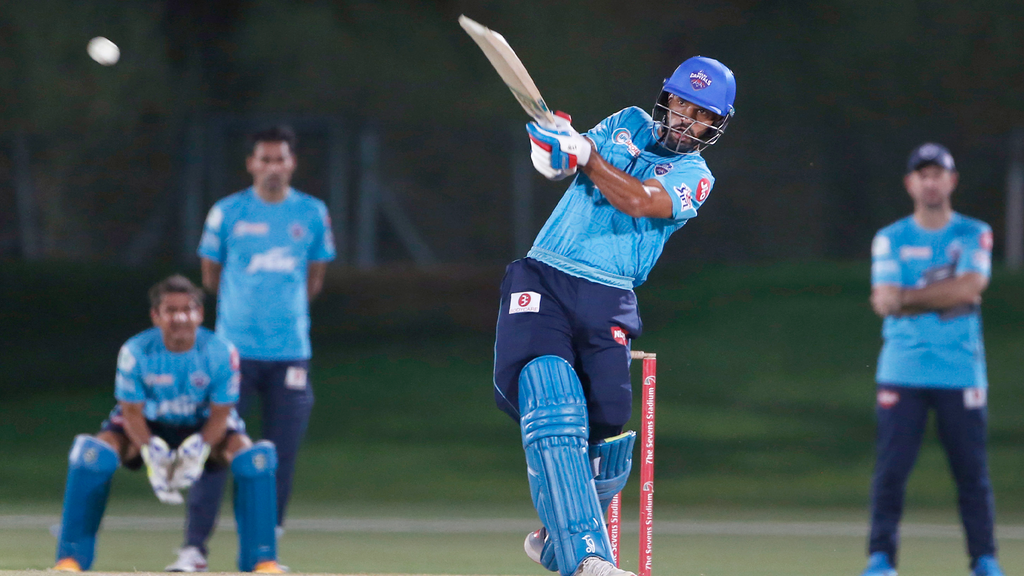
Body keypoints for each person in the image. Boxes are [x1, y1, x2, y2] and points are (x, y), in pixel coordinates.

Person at [492, 56, 736, 576]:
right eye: (682, 105)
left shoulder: (696, 176)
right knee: (552, 398)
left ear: (715, 125)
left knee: (606, 433)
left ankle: (551, 540)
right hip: (547, 276)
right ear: (667, 99)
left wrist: (587, 157)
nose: (686, 119)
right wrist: (553, 146)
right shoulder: (627, 122)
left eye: (702, 115)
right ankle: (587, 559)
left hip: (610, 297)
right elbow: (557, 166)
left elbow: (640, 202)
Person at [171, 125, 336, 571]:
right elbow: (211, 276)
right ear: (251, 164)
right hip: (232, 355)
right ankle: (193, 549)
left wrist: (284, 314)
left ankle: (264, 551)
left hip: (290, 353)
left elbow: (314, 278)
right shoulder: (227, 213)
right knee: (213, 449)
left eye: (280, 159)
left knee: (277, 455)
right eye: (263, 160)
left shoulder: (312, 213)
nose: (272, 168)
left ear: (292, 163)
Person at [53, 275, 283, 573]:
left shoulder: (221, 353)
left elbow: (220, 415)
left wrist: (199, 449)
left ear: (200, 314)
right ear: (156, 316)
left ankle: (262, 561)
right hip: (147, 425)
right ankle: (70, 559)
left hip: (203, 428)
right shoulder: (135, 352)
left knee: (255, 460)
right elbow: (131, 412)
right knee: (91, 455)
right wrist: (151, 452)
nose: (180, 317)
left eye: (188, 309)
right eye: (171, 310)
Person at [861, 143, 1003, 576]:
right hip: (902, 371)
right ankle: (881, 558)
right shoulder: (890, 237)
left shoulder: (973, 232)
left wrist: (907, 297)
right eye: (922, 174)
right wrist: (933, 295)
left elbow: (970, 286)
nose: (930, 181)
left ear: (952, 181)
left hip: (961, 372)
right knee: (891, 472)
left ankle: (984, 559)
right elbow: (884, 303)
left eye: (938, 173)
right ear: (910, 183)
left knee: (972, 475)